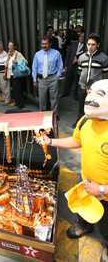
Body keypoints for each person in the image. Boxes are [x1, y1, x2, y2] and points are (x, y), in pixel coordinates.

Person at [42, 79, 108, 262]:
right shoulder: (86, 120)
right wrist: (51, 142)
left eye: (99, 94)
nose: (90, 98)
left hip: (105, 192)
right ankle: (84, 225)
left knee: (106, 226)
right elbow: (76, 141)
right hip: (86, 183)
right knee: (83, 208)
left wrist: (102, 189)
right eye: (90, 92)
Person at [76, 33, 108, 121]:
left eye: (93, 44)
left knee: (94, 108)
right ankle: (80, 122)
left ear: (98, 45)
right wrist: (83, 83)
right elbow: (79, 71)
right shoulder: (81, 57)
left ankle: (92, 125)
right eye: (88, 44)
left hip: (96, 89)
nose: (90, 47)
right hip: (82, 87)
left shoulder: (103, 58)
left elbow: (105, 75)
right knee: (81, 106)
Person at [32, 36, 63, 115]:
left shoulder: (56, 53)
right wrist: (34, 79)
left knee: (54, 99)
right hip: (42, 80)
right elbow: (34, 67)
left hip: (53, 79)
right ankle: (42, 115)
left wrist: (57, 77)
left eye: (46, 44)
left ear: (50, 44)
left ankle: (54, 115)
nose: (44, 46)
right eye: (42, 44)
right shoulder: (37, 54)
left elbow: (60, 66)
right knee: (42, 99)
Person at [5, 41, 28, 108]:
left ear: (14, 47)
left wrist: (17, 62)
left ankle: (20, 105)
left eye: (11, 45)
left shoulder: (18, 54)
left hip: (17, 75)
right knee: (14, 90)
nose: (9, 47)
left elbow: (26, 62)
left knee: (18, 90)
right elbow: (7, 63)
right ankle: (17, 102)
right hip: (11, 75)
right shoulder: (8, 54)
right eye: (8, 45)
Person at [63, 32, 85, 99]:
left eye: (83, 37)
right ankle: (65, 93)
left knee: (76, 81)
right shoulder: (73, 44)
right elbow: (68, 55)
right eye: (80, 36)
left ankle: (75, 95)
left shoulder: (86, 46)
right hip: (70, 65)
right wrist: (66, 65)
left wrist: (77, 59)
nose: (81, 38)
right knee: (67, 80)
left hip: (78, 66)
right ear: (78, 37)